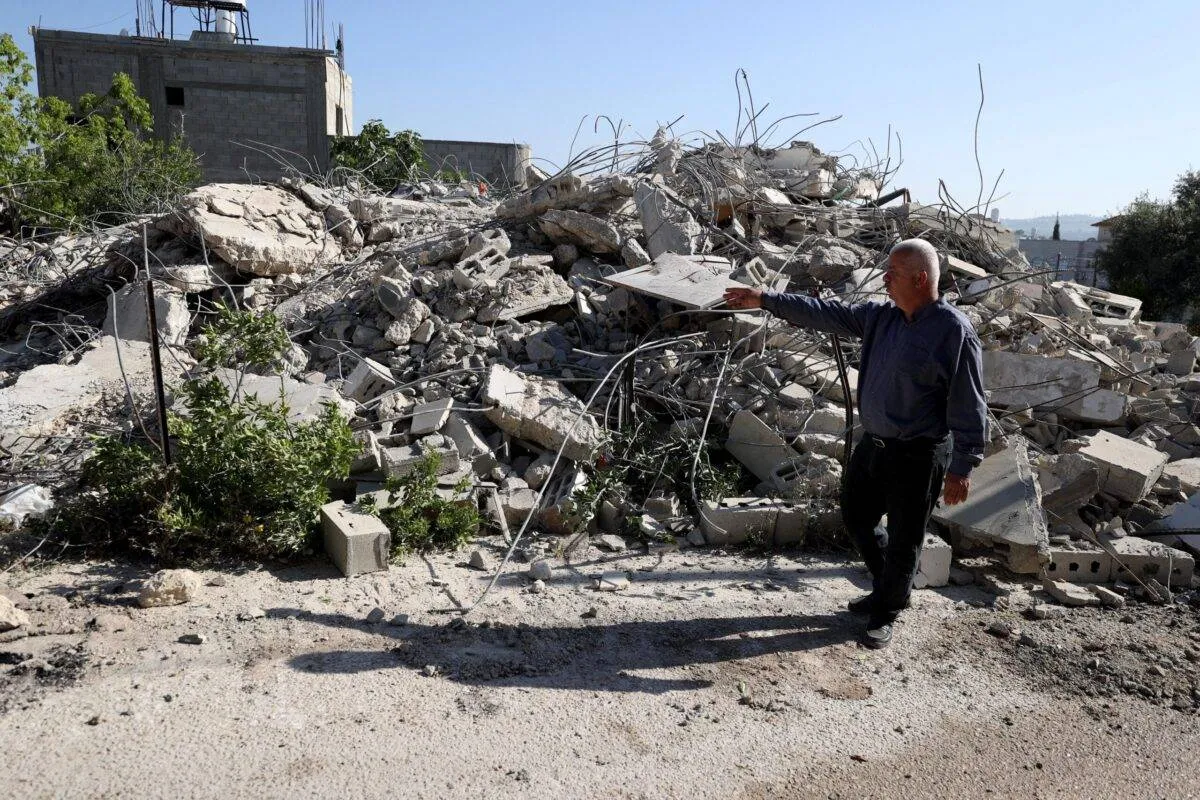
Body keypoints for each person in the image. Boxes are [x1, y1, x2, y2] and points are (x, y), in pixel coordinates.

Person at [723, 239, 987, 649]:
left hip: (919, 454)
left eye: (893, 274)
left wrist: (964, 467)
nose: (884, 279)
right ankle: (889, 589)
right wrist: (767, 299)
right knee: (857, 517)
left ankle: (887, 611)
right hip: (875, 444)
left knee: (905, 538)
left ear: (920, 279)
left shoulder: (954, 332)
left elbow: (971, 401)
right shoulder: (882, 317)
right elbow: (826, 313)